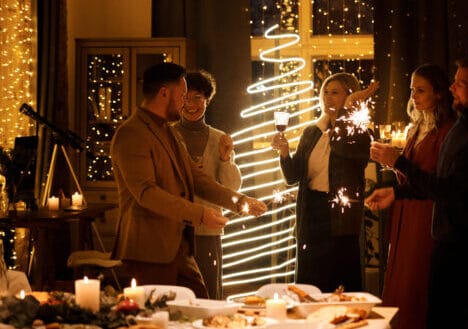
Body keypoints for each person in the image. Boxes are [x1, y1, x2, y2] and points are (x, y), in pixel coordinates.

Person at [367, 57, 468, 328]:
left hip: (462, 241)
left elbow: (448, 191)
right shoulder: (464, 126)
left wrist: (398, 163)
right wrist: (397, 193)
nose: (453, 88)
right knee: (438, 315)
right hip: (447, 236)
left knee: (446, 317)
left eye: (461, 84)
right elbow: (440, 183)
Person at [110, 62, 267, 299]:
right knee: (155, 320)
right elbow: (146, 193)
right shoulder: (132, 133)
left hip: (180, 248)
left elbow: (197, 178)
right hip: (148, 251)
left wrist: (240, 201)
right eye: (182, 95)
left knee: (202, 306)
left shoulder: (169, 131)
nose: (186, 102)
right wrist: (200, 214)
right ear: (164, 93)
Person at [365, 64, 456, 329]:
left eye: (421, 90)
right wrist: (392, 163)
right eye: (412, 90)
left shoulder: (446, 131)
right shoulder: (416, 128)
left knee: (416, 280)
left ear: (439, 93)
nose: (414, 96)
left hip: (426, 215)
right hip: (405, 212)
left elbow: (433, 181)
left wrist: (397, 161)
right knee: (399, 277)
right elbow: (408, 176)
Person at [271, 73, 378, 293]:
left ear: (350, 96)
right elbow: (293, 176)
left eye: (335, 93)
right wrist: (284, 153)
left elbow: (342, 146)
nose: (328, 98)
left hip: (341, 215)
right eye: (325, 93)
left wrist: (347, 110)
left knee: (339, 281)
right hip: (312, 212)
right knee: (310, 281)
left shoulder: (359, 132)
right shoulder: (312, 132)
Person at [170, 70, 241, 300]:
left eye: (197, 98)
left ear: (207, 100)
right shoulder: (167, 134)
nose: (191, 104)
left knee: (208, 292)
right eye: (186, 98)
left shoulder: (220, 137)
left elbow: (231, 186)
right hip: (173, 226)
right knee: (177, 293)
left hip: (208, 227)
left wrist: (224, 159)